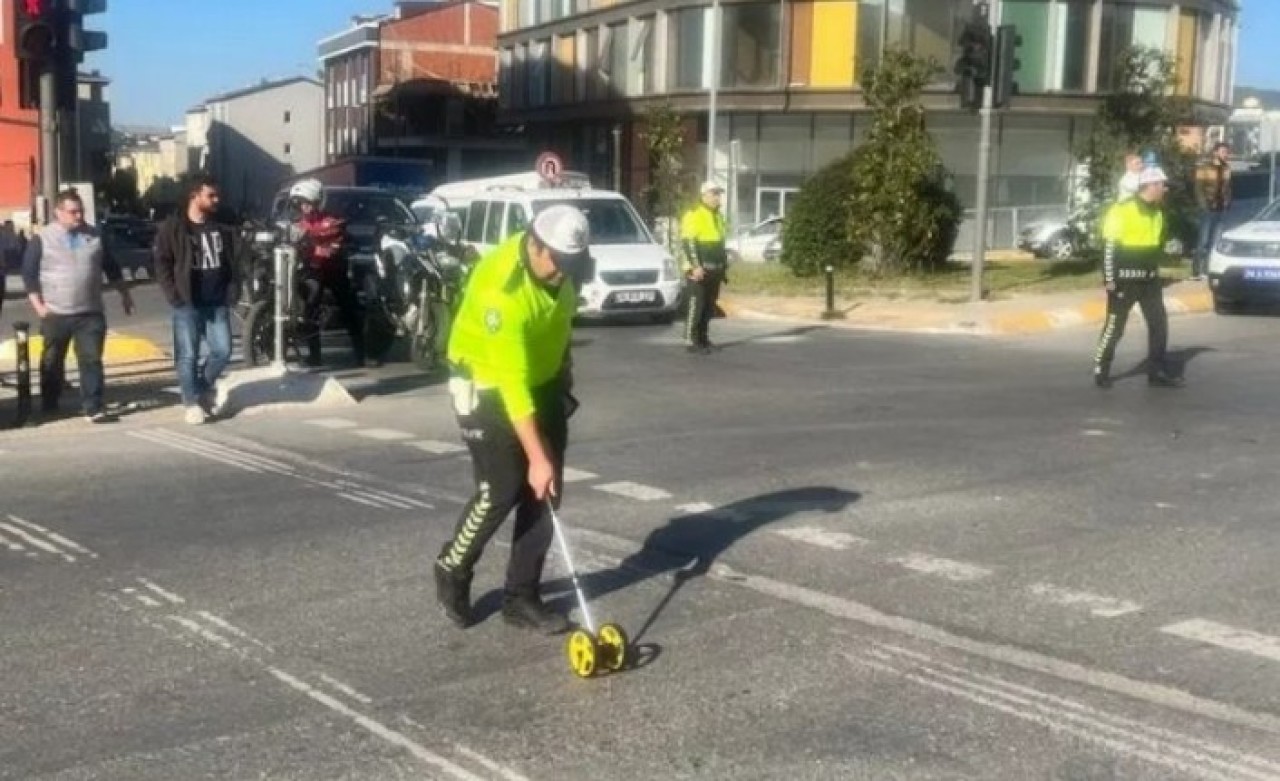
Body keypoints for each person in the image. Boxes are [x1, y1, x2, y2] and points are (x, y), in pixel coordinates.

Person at [432, 204, 592, 635]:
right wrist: (535, 457)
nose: (563, 272)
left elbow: (559, 328)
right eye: (557, 262)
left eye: (571, 264)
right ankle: (453, 566)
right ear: (535, 245)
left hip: (541, 381)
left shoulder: (565, 268)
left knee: (546, 490)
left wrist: (562, 380)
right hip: (485, 385)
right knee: (501, 487)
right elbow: (511, 386)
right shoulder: (499, 290)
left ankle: (521, 598)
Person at [22, 190, 135, 422]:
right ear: (58, 212)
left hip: (90, 312)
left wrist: (124, 294)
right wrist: (39, 307)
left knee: (91, 359)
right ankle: (50, 402)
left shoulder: (94, 236)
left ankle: (93, 406)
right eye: (73, 212)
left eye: (81, 211)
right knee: (52, 360)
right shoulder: (43, 238)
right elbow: (29, 274)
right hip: (56, 312)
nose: (78, 216)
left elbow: (111, 267)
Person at [153, 174, 243, 424]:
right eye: (210, 195)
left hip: (216, 301)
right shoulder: (173, 227)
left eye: (217, 195)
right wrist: (174, 296)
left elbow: (234, 259)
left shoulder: (222, 225)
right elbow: (161, 263)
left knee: (223, 351)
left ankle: (200, 388)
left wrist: (233, 289)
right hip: (187, 302)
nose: (216, 199)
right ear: (195, 196)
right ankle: (191, 402)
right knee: (187, 355)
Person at [1093, 167, 1182, 390]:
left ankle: (1156, 371)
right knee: (1115, 326)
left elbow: (1156, 244)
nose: (1165, 189)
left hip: (1150, 280)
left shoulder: (1158, 212)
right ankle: (1101, 369)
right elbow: (1109, 248)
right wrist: (1110, 280)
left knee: (1159, 324)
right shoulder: (1121, 210)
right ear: (1150, 186)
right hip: (1125, 279)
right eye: (1162, 185)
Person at [287, 178, 364, 367]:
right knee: (309, 309)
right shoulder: (297, 224)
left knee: (348, 308)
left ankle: (362, 353)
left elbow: (336, 236)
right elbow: (289, 239)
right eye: (300, 203)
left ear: (316, 202)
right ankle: (314, 356)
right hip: (311, 270)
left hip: (333, 270)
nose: (303, 207)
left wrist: (318, 244)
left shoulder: (332, 221)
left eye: (307, 203)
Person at [680, 180, 729, 354]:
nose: (717, 197)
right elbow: (689, 242)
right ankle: (690, 340)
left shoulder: (718, 216)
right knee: (697, 305)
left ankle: (703, 338)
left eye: (719, 193)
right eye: (714, 193)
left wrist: (723, 267)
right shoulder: (694, 214)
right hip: (698, 270)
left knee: (709, 306)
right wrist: (695, 266)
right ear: (704, 196)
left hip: (714, 269)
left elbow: (720, 243)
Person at [1194, 142, 1232, 280]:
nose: (1226, 154)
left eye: (1227, 152)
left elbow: (1227, 188)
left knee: (1215, 241)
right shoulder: (1204, 167)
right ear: (1215, 152)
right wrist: (1203, 204)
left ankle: (1210, 268)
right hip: (1208, 208)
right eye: (1223, 152)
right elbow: (1198, 188)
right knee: (1203, 240)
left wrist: (1228, 202)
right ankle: (1198, 270)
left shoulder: (1227, 168)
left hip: (1221, 208)